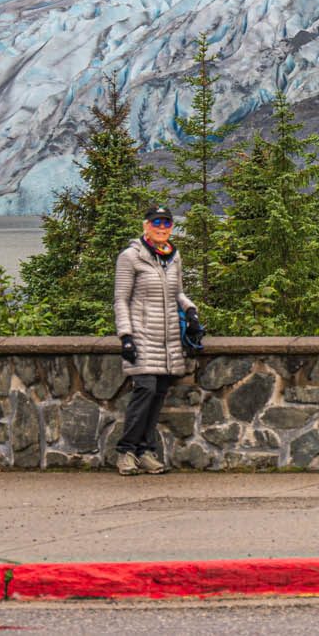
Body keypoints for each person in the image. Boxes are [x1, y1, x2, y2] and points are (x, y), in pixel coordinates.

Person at [112, 203, 201, 474]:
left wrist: (191, 311)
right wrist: (126, 336)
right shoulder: (130, 257)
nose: (162, 228)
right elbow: (121, 299)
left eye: (166, 223)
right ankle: (126, 451)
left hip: (168, 339)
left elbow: (178, 293)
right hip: (142, 336)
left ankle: (145, 451)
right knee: (145, 390)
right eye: (156, 222)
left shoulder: (173, 256)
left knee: (158, 394)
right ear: (146, 226)